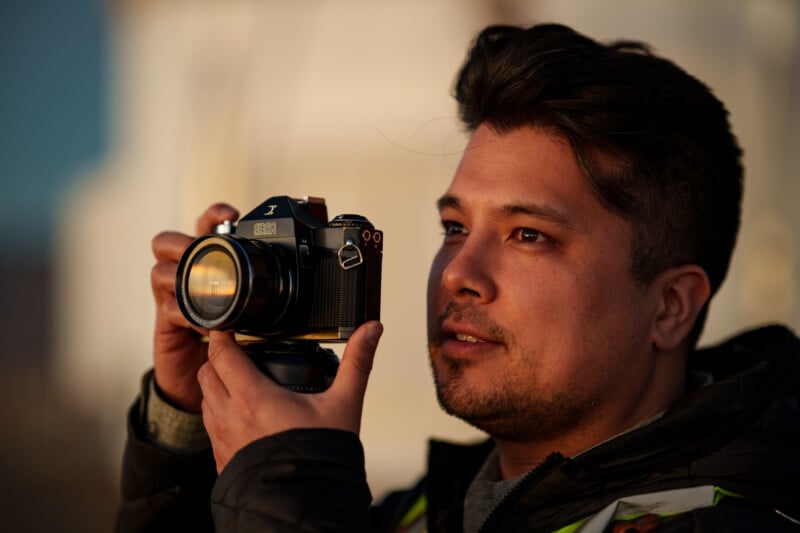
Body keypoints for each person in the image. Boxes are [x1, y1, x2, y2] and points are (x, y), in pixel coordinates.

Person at [116, 23, 800, 532]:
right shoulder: (421, 511)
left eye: (528, 235)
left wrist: (288, 496)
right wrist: (182, 431)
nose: (460, 273)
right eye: (453, 227)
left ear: (671, 306)